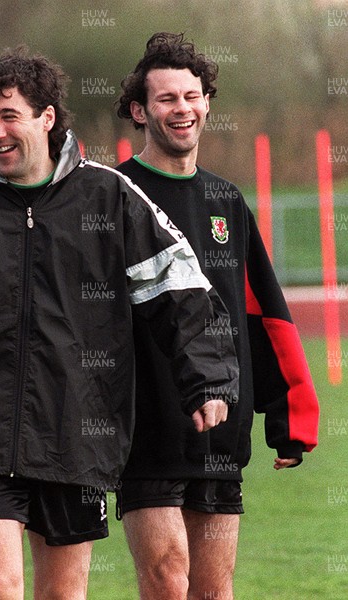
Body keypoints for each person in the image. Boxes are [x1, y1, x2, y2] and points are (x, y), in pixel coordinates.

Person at [0, 46, 239, 600]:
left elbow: (180, 293)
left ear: (47, 118)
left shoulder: (108, 197)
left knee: (62, 593)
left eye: (9, 116)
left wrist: (206, 379)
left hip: (76, 432)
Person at [115, 32, 320, 600]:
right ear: (139, 110)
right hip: (147, 426)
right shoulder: (113, 197)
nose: (182, 109)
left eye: (192, 96)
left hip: (223, 429)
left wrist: (288, 418)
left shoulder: (227, 201)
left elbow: (265, 315)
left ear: (207, 103)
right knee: (166, 580)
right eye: (166, 99)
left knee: (212, 590)